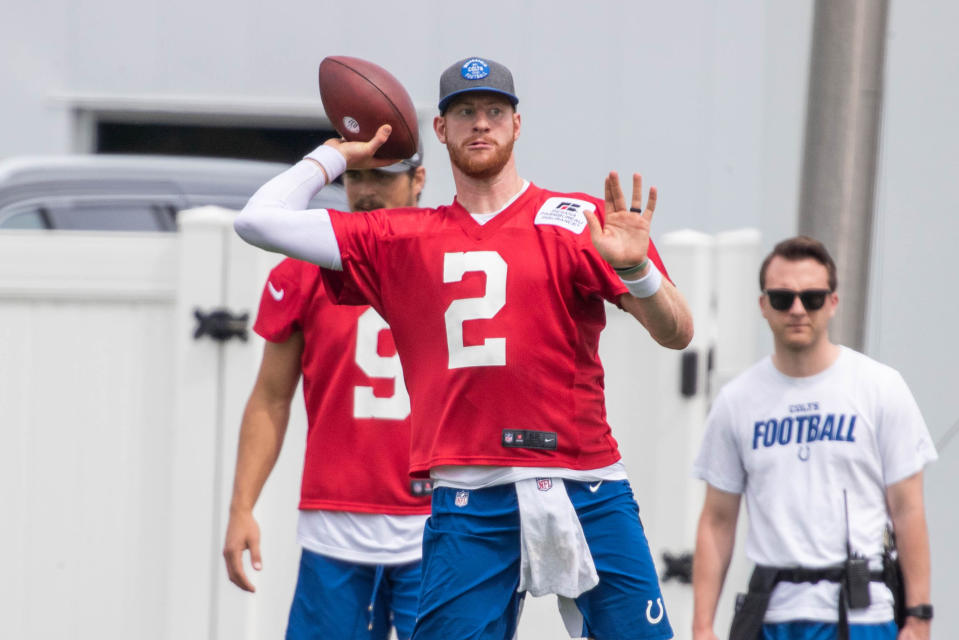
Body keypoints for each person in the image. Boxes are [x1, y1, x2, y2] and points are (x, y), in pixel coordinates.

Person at [234, 55, 694, 640]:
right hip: (469, 498)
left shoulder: (577, 219)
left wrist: (637, 274)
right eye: (465, 112)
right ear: (440, 130)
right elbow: (257, 220)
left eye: (494, 112)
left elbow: (677, 331)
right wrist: (336, 155)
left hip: (586, 479)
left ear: (517, 125)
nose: (481, 124)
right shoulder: (400, 235)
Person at [222, 147, 430, 640]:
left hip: (438, 521)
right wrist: (241, 507)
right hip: (336, 523)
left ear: (418, 178)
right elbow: (271, 397)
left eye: (381, 176)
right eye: (353, 176)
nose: (365, 190)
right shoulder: (305, 265)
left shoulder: (452, 255)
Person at [691, 236, 937, 640]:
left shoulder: (880, 387)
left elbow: (908, 509)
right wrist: (702, 627)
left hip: (862, 612)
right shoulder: (737, 401)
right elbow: (717, 521)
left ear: (833, 302)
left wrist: (919, 616)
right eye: (783, 298)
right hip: (770, 615)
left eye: (813, 297)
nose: (798, 309)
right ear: (763, 305)